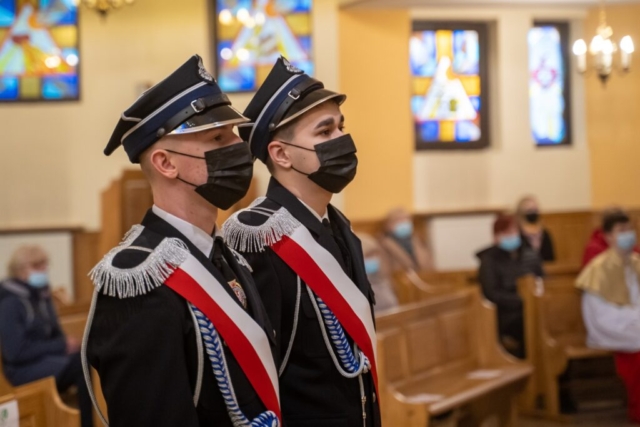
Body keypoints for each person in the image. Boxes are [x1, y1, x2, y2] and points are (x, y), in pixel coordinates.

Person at [83, 55, 280, 427]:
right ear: (166, 163)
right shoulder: (139, 282)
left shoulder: (226, 256)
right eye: (218, 138)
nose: (238, 147)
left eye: (234, 134)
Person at [223, 57, 380, 426]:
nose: (342, 139)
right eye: (324, 132)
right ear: (281, 154)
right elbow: (256, 373)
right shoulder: (259, 239)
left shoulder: (339, 228)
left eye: (341, 127)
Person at [0, 245, 93, 427]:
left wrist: (66, 344)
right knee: (82, 365)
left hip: (48, 360)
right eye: (37, 266)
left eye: (44, 264)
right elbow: (15, 352)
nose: (43, 270)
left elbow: (55, 333)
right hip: (23, 369)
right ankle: (88, 423)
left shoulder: (42, 296)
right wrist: (61, 346)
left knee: (89, 354)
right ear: (20, 269)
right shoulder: (10, 302)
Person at [577, 211, 640, 423]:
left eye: (630, 229)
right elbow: (598, 314)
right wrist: (634, 321)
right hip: (610, 328)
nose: (628, 234)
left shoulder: (636, 263)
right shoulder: (598, 269)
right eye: (621, 231)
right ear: (608, 236)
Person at [477, 215, 543, 358]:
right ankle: (529, 359)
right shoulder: (489, 259)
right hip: (505, 313)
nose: (512, 236)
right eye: (507, 233)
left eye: (514, 232)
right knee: (528, 322)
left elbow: (540, 278)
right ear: (497, 236)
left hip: (531, 305)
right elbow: (491, 293)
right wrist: (520, 300)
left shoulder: (527, 253)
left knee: (544, 317)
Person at [379, 207, 433, 272]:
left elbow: (429, 264)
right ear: (389, 225)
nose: (404, 223)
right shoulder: (384, 244)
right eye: (399, 220)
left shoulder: (418, 240)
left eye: (407, 219)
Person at [359, 233, 399, 313]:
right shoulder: (359, 288)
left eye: (375, 254)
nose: (374, 258)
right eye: (369, 255)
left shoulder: (383, 280)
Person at [516, 195, 556, 263]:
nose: (533, 212)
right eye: (529, 210)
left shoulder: (545, 234)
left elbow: (551, 258)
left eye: (535, 210)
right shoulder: (517, 234)